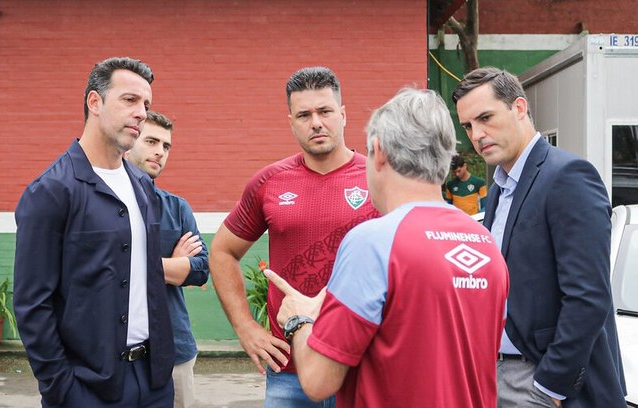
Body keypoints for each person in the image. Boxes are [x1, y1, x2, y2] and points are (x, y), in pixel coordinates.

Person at [265, 87, 509, 407]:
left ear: (379, 152)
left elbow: (317, 380)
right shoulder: (486, 243)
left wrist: (299, 319)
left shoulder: (374, 241)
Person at [453, 67, 627, 407]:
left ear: (519, 108)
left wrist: (551, 386)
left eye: (485, 118)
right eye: (468, 126)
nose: (477, 134)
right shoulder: (501, 187)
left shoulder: (568, 176)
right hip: (499, 374)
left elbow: (588, 295)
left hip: (541, 381)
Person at [209, 66, 379, 408]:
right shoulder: (269, 182)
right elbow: (222, 251)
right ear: (291, 121)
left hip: (363, 368)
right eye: (304, 114)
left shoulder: (379, 177)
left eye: (325, 111)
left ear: (343, 115)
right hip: (291, 373)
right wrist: (246, 328)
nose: (316, 122)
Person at [13, 57, 175, 407]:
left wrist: (163, 375)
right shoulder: (52, 191)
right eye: (129, 100)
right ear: (95, 102)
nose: (142, 113)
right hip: (87, 389)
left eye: (146, 104)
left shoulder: (143, 187)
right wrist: (62, 389)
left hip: (154, 383)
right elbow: (31, 304)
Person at [125, 111, 209, 408]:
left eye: (166, 146)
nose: (160, 152)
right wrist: (173, 264)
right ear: (130, 141)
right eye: (151, 141)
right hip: (117, 354)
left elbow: (201, 270)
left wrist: (144, 267)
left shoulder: (177, 207)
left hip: (175, 349)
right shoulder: (105, 203)